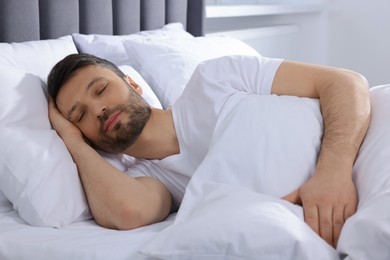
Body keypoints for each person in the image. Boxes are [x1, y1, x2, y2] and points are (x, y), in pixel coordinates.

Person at [47, 53, 370, 248]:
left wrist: (333, 170)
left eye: (101, 89)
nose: (98, 110)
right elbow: (128, 212)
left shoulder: (214, 79)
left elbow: (345, 83)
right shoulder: (151, 180)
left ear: (133, 84)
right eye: (80, 116)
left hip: (364, 147)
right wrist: (73, 142)